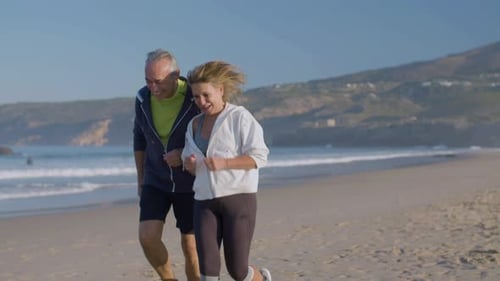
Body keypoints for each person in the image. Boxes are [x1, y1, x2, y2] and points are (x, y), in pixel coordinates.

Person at [182, 61, 272, 281]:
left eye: (206, 95)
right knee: (208, 271)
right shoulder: (193, 124)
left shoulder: (239, 118)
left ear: (220, 90)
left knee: (238, 271)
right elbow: (189, 162)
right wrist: (190, 165)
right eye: (195, 97)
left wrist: (226, 163)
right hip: (204, 202)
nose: (200, 102)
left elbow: (260, 156)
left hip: (238, 200)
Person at [133, 49, 200, 281]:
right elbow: (139, 138)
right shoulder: (142, 99)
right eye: (148, 81)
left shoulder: (195, 97)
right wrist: (140, 178)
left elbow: (213, 136)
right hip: (156, 179)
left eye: (158, 81)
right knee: (147, 237)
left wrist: (183, 153)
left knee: (191, 246)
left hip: (189, 181)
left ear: (176, 75)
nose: (153, 87)